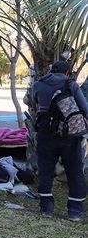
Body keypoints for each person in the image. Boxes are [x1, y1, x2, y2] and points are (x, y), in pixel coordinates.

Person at [32, 61, 88, 221]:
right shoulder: (71, 85)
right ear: (68, 72)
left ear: (51, 69)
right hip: (69, 134)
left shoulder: (38, 84)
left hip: (45, 131)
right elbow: (85, 108)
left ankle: (46, 208)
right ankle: (75, 212)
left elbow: (35, 103)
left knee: (45, 169)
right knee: (74, 170)